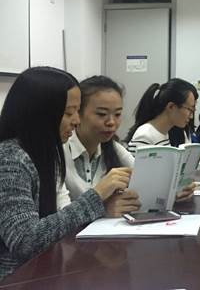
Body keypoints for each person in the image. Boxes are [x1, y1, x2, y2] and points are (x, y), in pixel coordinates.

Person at [0, 67, 127, 280]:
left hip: (44, 272)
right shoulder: (10, 158)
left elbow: (55, 223)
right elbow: (25, 242)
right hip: (16, 279)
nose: (76, 121)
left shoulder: (44, 153)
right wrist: (96, 196)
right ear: (41, 113)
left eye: (77, 111)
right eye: (69, 113)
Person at [62, 76, 140, 216]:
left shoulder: (113, 148)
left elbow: (143, 176)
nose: (111, 122)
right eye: (102, 114)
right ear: (78, 113)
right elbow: (61, 216)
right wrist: (103, 209)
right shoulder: (60, 150)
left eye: (117, 114)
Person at [126, 78, 200, 158]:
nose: (191, 116)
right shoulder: (145, 135)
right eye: (189, 110)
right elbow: (138, 172)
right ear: (171, 107)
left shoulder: (163, 133)